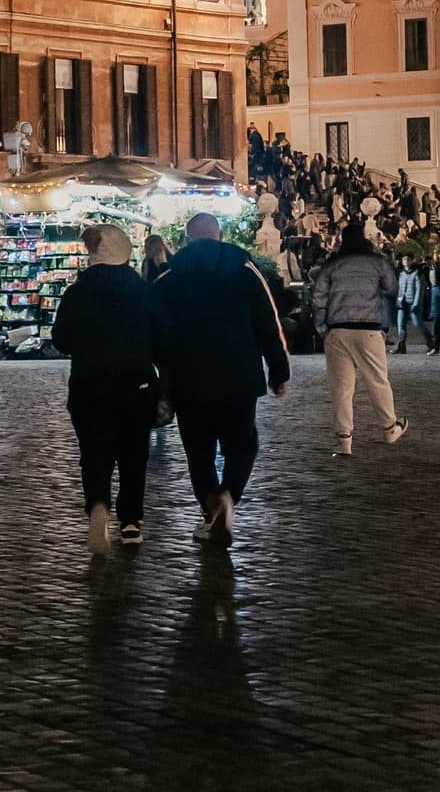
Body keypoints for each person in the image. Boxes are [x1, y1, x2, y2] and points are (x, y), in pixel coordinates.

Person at [155, 210, 289, 545]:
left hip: (189, 379)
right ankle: (229, 496)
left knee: (198, 451)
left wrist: (162, 372)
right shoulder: (245, 272)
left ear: (187, 238)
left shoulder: (170, 277)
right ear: (220, 237)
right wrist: (278, 370)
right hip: (238, 376)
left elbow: (155, 330)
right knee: (242, 444)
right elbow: (267, 323)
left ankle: (212, 507)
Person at [51, 221, 163, 550]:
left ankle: (98, 506)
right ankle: (130, 521)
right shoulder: (143, 290)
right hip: (137, 384)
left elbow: (61, 340)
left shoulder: (78, 292)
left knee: (95, 453)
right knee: (134, 454)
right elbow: (162, 337)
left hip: (90, 384)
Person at [309, 222, 399, 454]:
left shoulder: (333, 265)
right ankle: (390, 428)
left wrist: (322, 328)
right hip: (369, 327)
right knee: (378, 380)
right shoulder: (378, 263)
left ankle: (344, 440)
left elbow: (318, 298)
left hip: (337, 329)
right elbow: (392, 289)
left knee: (341, 387)